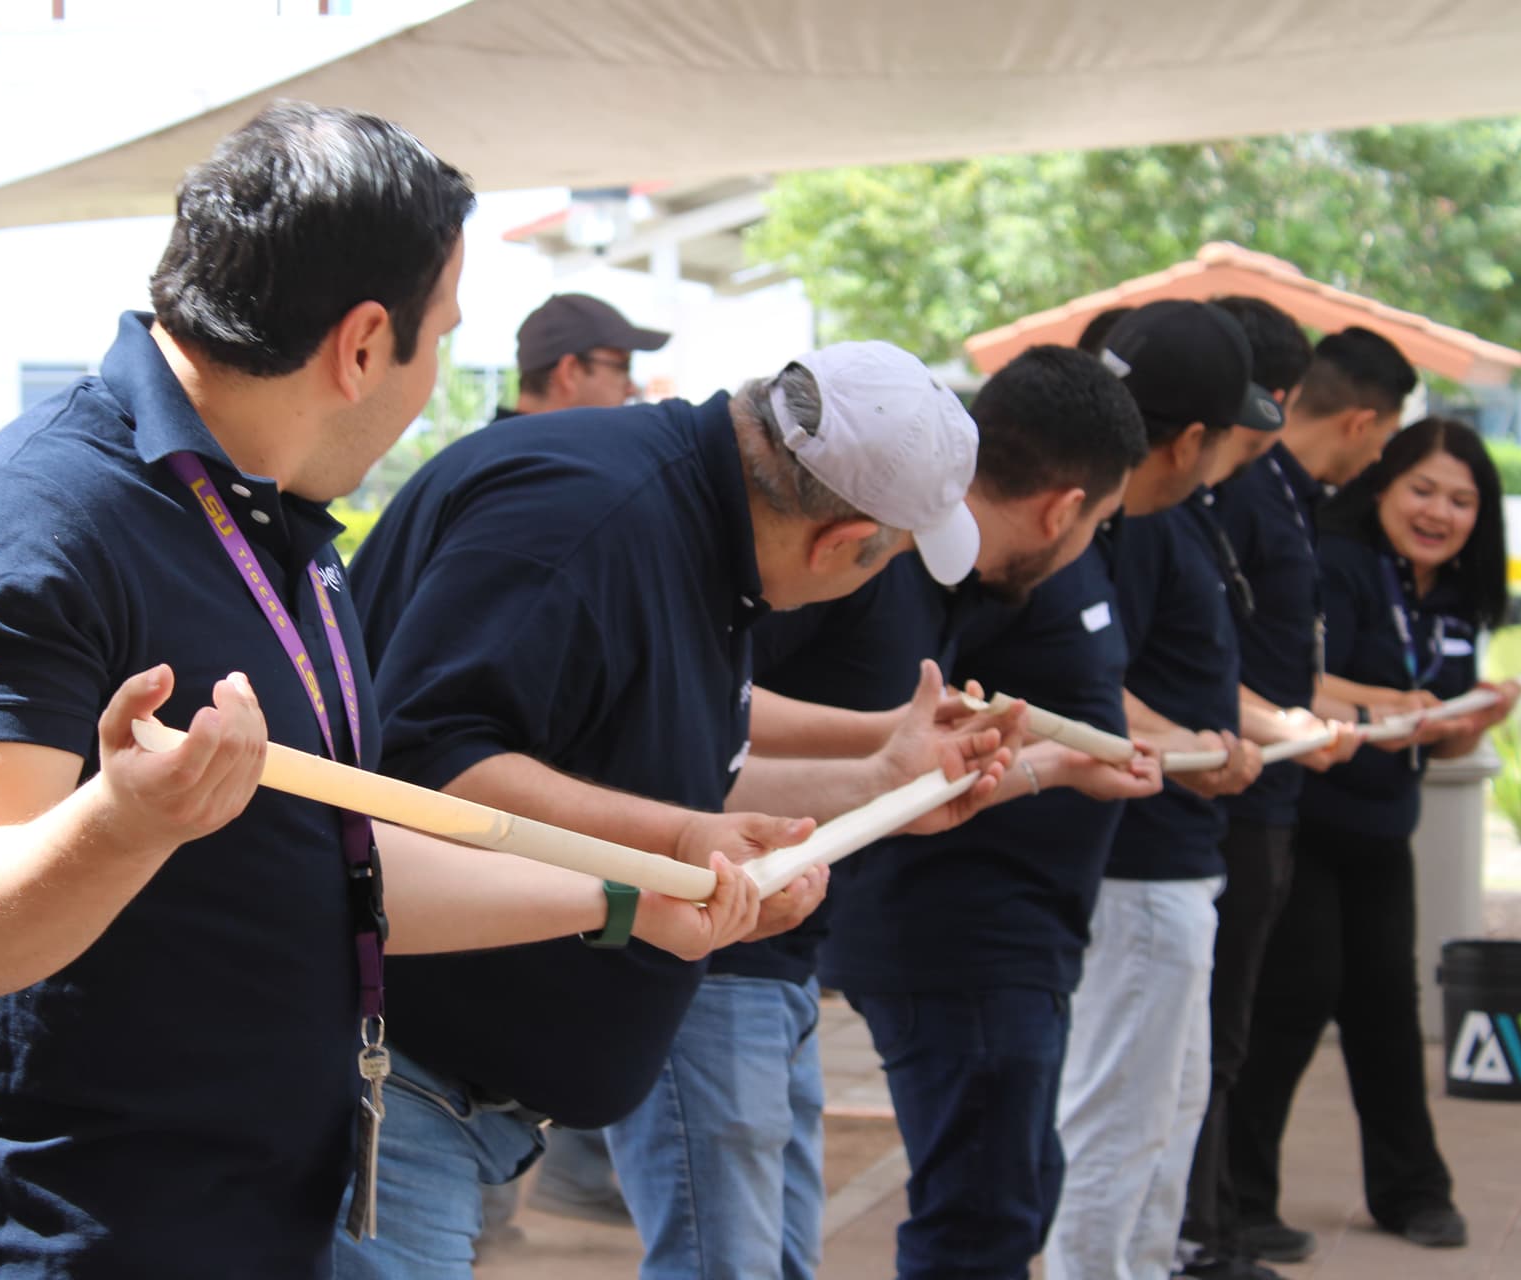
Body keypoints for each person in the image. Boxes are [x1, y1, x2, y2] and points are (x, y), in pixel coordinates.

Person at [0, 103, 764, 1280]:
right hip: (54, 1244)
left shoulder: (274, 521)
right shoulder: (31, 527)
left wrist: (620, 898)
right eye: (440, 337)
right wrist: (123, 820)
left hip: (263, 1226)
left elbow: (332, 860)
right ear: (362, 341)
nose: (436, 378)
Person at [337, 340, 1019, 1278]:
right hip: (388, 1072)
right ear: (837, 543)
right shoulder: (590, 521)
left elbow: (675, 772)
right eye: (886, 562)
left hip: (449, 1090)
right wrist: (680, 839)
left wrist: (879, 782)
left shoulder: (699, 528)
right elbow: (427, 770)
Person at [678, 343, 1160, 1280]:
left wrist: (1027, 763)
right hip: (720, 941)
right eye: (1096, 525)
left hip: (784, 944)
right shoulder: (858, 552)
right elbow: (704, 710)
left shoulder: (942, 574)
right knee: (743, 1259)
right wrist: (887, 738)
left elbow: (883, 762)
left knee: (779, 1255)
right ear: (1067, 508)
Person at [1229, 418, 1520, 1255]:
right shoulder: (1335, 561)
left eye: (1462, 500)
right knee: (1295, 999)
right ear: (1383, 484)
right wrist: (1398, 707)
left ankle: (1412, 1192)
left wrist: (1473, 718)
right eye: (1422, 490)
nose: (1439, 512)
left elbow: (1439, 728)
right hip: (1306, 820)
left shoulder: (1461, 595)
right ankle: (1241, 1200)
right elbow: (1298, 683)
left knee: (1388, 1009)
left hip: (1387, 829)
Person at [1179, 306, 1419, 1276]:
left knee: (1225, 1029)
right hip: (1227, 793)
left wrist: (1320, 715)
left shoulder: (1278, 493)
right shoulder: (1230, 493)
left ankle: (1218, 1217)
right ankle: (1201, 1229)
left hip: (1270, 791)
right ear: (1363, 420)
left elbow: (1281, 658)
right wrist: (1277, 726)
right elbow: (1211, 660)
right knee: (1207, 1032)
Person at [1045, 299, 1277, 1280]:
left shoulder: (1152, 517)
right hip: (1136, 870)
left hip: (1172, 860)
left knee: (1166, 1113)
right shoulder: (1112, 524)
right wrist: (1190, 744)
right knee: (1116, 1125)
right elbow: (1077, 688)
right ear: (1191, 439)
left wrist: (1255, 730)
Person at [479, 293, 670, 1237]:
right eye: (618, 368)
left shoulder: (557, 478)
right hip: (486, 873)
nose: (632, 391)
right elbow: (450, 747)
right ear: (568, 373)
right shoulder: (530, 490)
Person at [494, 292, 670, 418]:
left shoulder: (491, 453)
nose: (631, 389)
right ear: (569, 372)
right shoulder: (553, 464)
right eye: (623, 367)